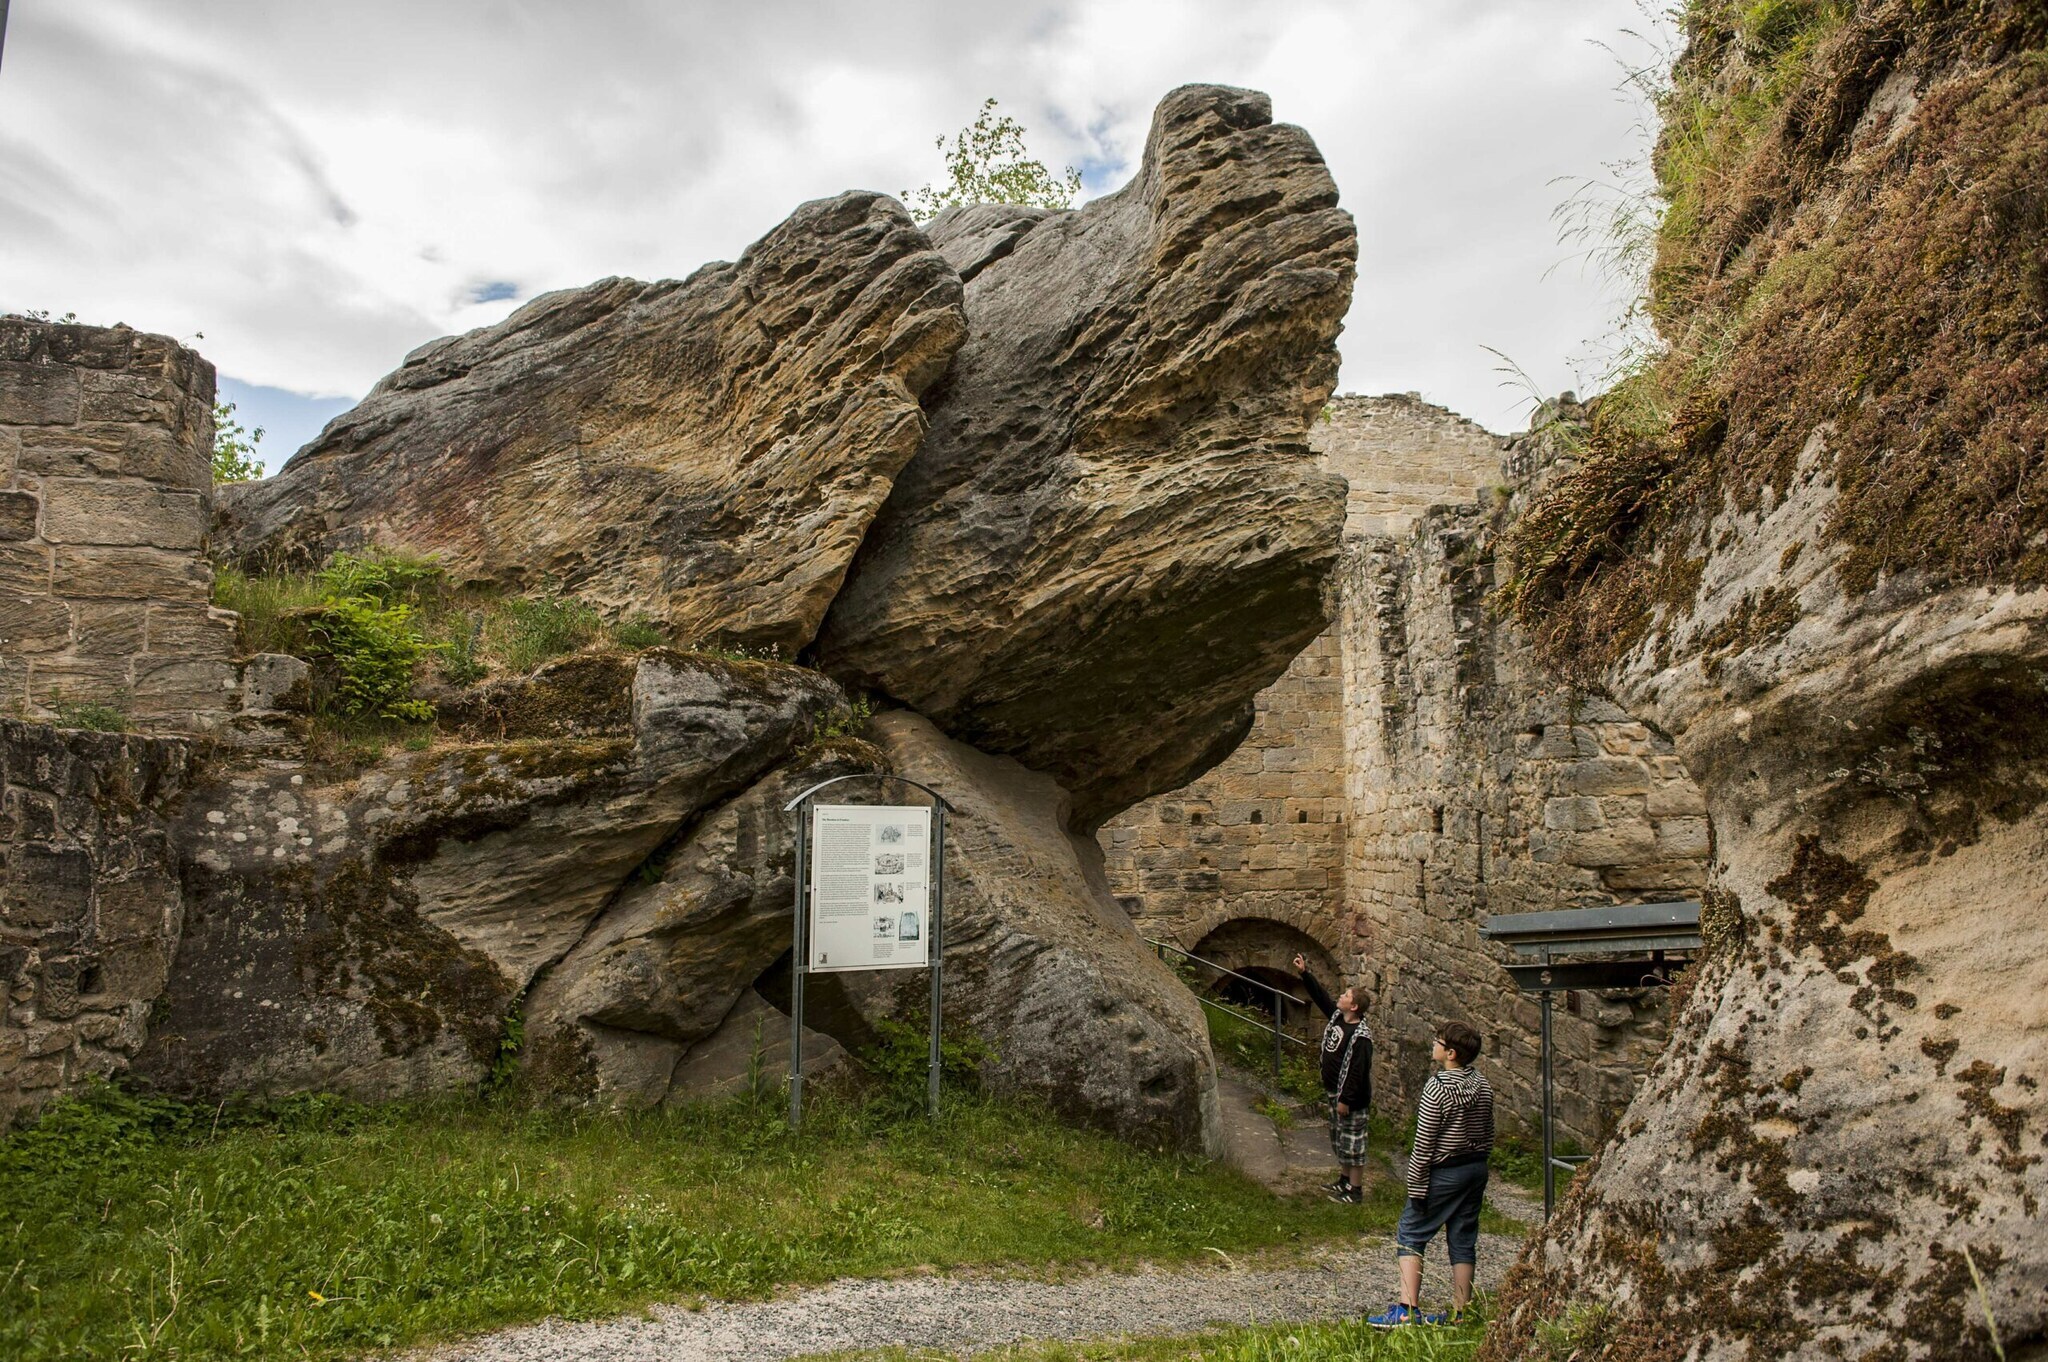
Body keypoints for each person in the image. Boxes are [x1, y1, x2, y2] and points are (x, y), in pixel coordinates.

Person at [1368, 1021, 1494, 1328]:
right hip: (1475, 1167)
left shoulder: (1437, 1088)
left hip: (1444, 1170)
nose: (1433, 1044)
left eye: (1438, 1041)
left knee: (1411, 1232)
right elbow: (1489, 1131)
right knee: (1463, 1237)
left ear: (1451, 1053)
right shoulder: (1483, 1084)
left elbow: (1424, 1143)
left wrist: (1416, 1187)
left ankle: (1406, 1309)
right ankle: (1462, 1312)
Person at [1292, 952, 1372, 1204]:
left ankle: (1355, 1191)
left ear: (1354, 1006)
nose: (1341, 997)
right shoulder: (1338, 1018)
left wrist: (1345, 1099)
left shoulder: (1361, 1036)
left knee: (1353, 1143)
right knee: (1340, 1139)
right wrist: (1305, 973)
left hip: (1351, 1100)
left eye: (1346, 996)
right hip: (1334, 1093)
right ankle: (1344, 1180)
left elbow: (1357, 1072)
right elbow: (1321, 997)